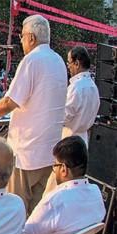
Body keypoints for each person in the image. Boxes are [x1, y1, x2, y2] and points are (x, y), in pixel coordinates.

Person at [0, 15, 67, 214]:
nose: (20, 41)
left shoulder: (32, 60)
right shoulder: (59, 61)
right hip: (49, 150)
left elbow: (10, 102)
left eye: (21, 36)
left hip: (28, 151)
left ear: (31, 37)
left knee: (16, 210)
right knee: (35, 212)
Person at [44, 46, 100, 196]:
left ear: (77, 63)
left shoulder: (77, 87)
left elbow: (65, 115)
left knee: (55, 186)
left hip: (68, 137)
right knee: (75, 184)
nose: (68, 66)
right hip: (82, 139)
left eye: (69, 62)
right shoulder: (93, 87)